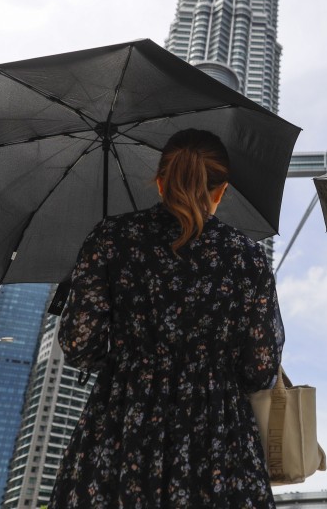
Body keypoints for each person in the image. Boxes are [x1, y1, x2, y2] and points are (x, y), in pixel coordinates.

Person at [49, 128, 284, 509]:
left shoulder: (111, 237)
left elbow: (80, 346)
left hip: (123, 425)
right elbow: (259, 369)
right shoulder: (248, 258)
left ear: (159, 181)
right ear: (221, 190)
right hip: (217, 439)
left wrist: (127, 358)